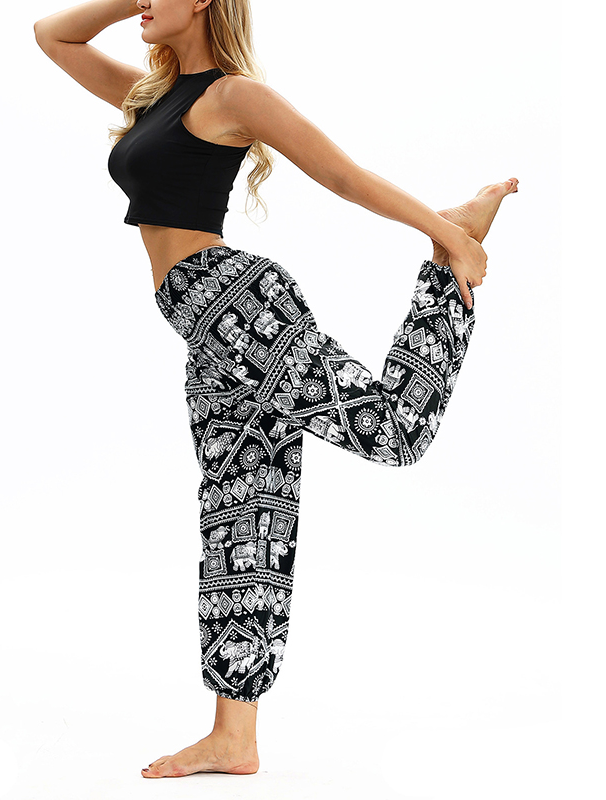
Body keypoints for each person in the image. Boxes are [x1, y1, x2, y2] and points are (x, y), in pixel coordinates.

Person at [33, 0, 518, 779]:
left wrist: (445, 234)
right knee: (240, 513)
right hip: (202, 325)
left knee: (393, 433)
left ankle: (445, 270)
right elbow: (53, 36)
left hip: (238, 304)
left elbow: (342, 175)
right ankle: (234, 736)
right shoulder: (154, 98)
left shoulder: (234, 96)